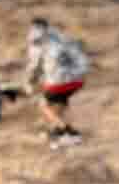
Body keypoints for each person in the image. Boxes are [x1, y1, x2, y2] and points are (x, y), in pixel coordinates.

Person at [24, 16, 90, 149]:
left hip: (59, 81)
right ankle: (61, 135)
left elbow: (34, 66)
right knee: (60, 103)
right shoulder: (61, 37)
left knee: (43, 104)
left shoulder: (37, 41)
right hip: (78, 79)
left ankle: (68, 131)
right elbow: (79, 54)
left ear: (34, 27)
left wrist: (30, 82)